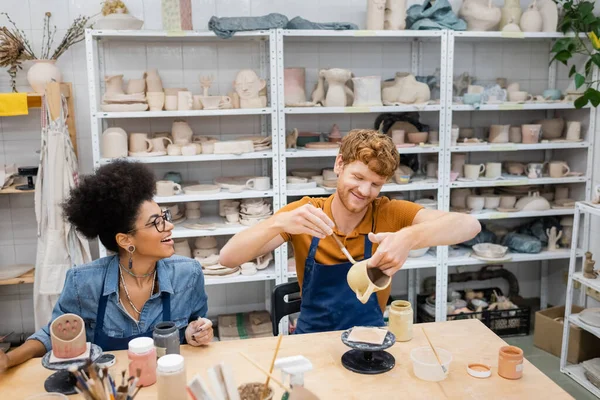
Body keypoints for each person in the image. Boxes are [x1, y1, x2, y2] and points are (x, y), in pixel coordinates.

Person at [220, 129, 481, 333]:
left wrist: (408, 237)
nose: (365, 192)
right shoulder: (306, 213)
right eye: (358, 177)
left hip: (370, 338)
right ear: (339, 165)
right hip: (313, 337)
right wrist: (277, 223)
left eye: (375, 184)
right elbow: (228, 258)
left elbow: (470, 225)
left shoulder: (388, 213)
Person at [0, 160, 212, 372]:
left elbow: (193, 326)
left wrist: (196, 333)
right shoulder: (83, 282)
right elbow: (51, 335)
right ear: (125, 240)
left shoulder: (188, 274)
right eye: (156, 222)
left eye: (164, 217)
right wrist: (8, 360)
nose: (169, 226)